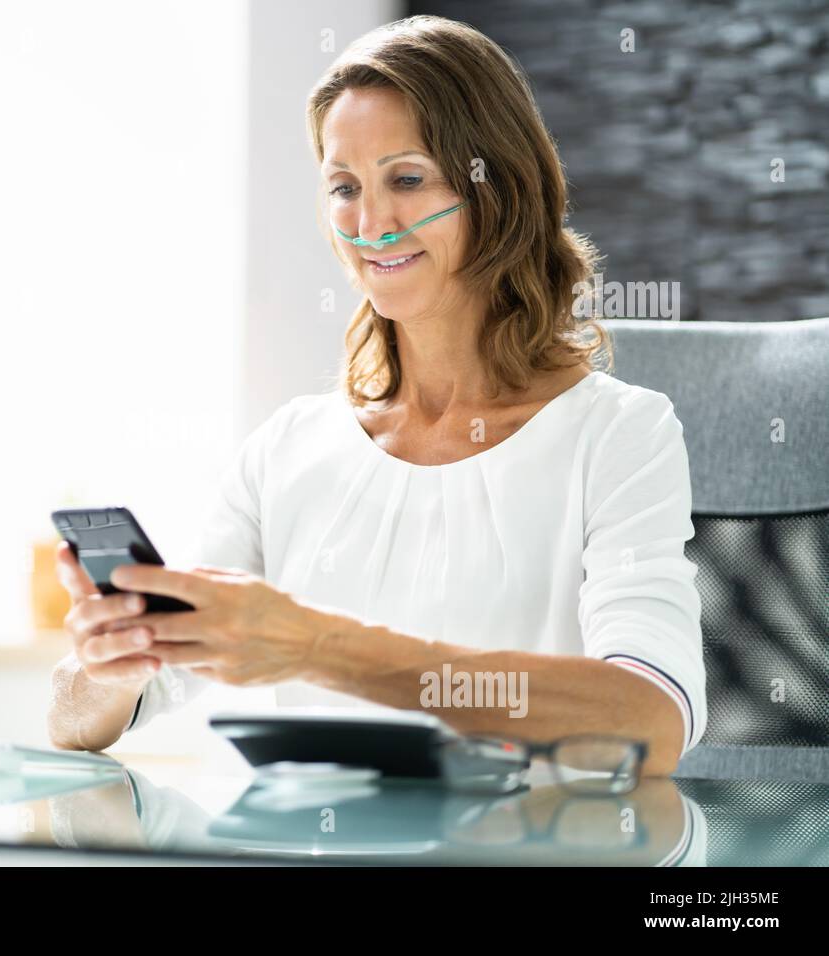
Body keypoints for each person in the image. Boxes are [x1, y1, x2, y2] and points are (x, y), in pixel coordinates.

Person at [46, 15, 705, 777]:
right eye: (344, 187)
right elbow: (73, 721)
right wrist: (109, 666)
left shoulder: (618, 434)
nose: (370, 223)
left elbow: (648, 719)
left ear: (497, 187)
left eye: (408, 178)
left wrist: (317, 646)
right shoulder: (287, 448)